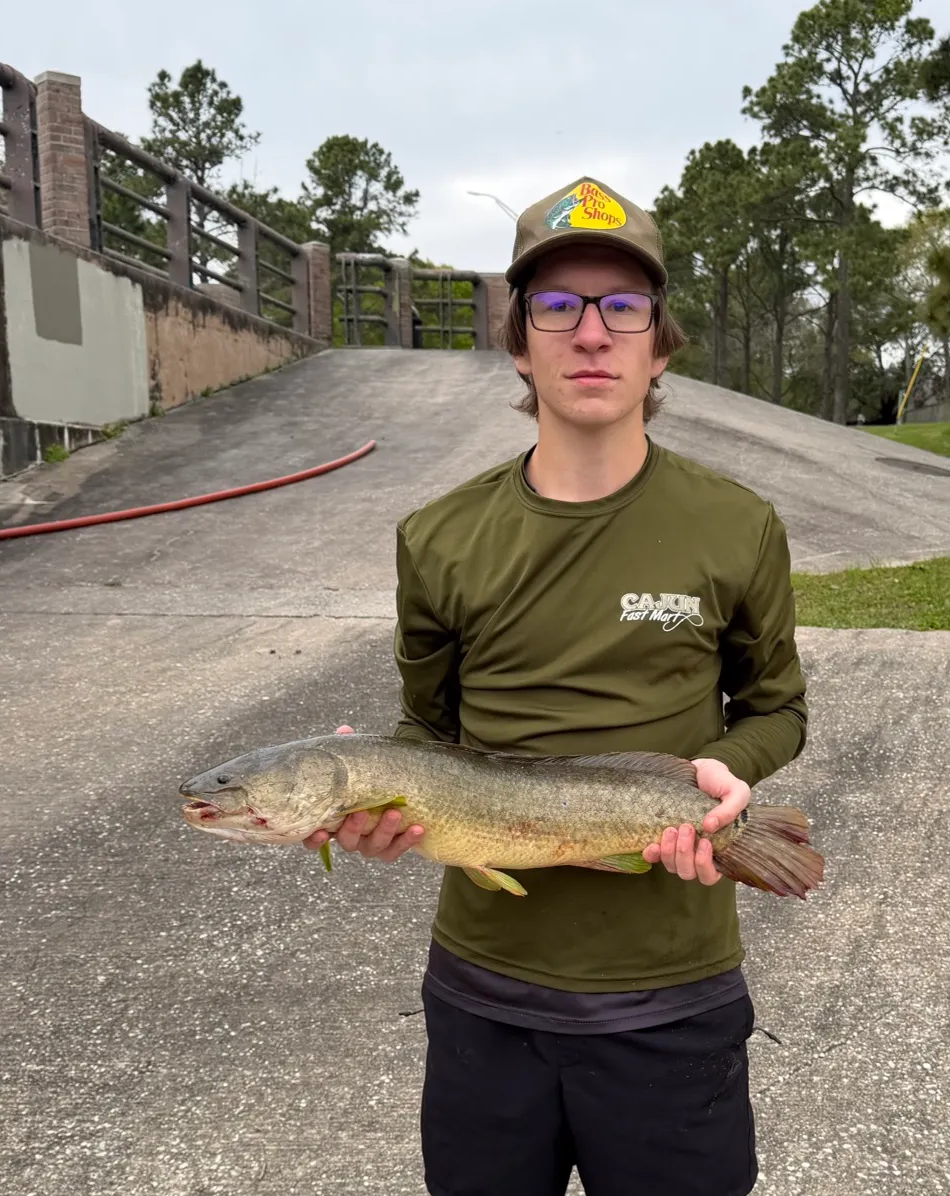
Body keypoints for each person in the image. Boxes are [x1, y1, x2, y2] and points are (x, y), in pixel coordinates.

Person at [305, 176, 808, 1196]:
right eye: (557, 305)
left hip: (672, 997)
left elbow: (776, 708)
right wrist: (374, 799)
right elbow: (426, 730)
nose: (591, 333)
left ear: (660, 342)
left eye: (622, 306)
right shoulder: (439, 537)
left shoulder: (736, 525)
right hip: (486, 1000)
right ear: (518, 337)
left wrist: (730, 773)